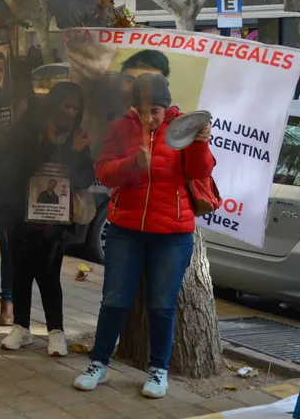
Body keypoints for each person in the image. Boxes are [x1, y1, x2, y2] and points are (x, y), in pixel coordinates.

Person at [74, 73, 215, 399]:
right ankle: (98, 364)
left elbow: (200, 172)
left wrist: (200, 143)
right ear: (133, 107)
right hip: (126, 230)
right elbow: (105, 172)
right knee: (114, 300)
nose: (151, 118)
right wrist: (133, 164)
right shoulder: (120, 128)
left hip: (172, 233)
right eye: (143, 110)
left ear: (166, 107)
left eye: (157, 110)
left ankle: (158, 370)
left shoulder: (182, 127)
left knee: (162, 305)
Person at [0, 82, 93, 357]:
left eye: (76, 108)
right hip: (20, 215)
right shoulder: (29, 128)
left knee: (49, 276)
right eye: (66, 105)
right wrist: (48, 143)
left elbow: (85, 178)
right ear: (54, 104)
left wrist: (75, 151)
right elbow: (17, 166)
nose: (71, 112)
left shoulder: (77, 136)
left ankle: (55, 332)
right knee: (20, 273)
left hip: (55, 221)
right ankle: (21, 328)